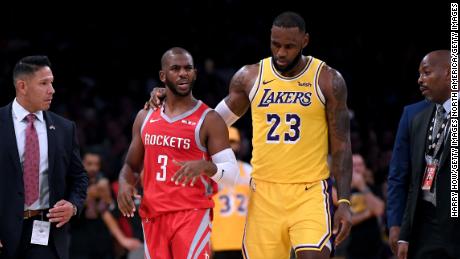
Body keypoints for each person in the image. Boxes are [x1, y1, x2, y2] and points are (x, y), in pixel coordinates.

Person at [149, 11, 352, 259]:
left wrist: (344, 202)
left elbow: (342, 146)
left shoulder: (327, 80)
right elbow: (210, 120)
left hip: (309, 191)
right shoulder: (250, 77)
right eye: (276, 44)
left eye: (289, 46)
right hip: (263, 193)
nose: (281, 52)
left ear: (305, 42)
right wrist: (171, 98)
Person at [117, 47, 238, 259]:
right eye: (175, 68)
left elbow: (232, 176)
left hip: (191, 214)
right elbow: (131, 166)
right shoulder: (145, 116)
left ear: (195, 74)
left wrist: (206, 166)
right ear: (163, 76)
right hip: (153, 215)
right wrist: (125, 184)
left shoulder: (209, 119)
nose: (183, 73)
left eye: (188, 68)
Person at [0, 55, 88, 259]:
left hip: (46, 232)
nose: (52, 90)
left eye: (52, 83)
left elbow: (79, 177)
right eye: (44, 83)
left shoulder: (65, 128)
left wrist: (73, 206)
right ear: (22, 86)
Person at [397, 50, 459, 259]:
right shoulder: (419, 119)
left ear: (449, 74)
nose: (420, 80)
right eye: (419, 74)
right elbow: (415, 183)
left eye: (426, 73)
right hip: (425, 228)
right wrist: (405, 235)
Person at [70, 151, 142, 259]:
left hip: (103, 241)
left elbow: (109, 211)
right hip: (79, 241)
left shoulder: (105, 182)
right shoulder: (73, 183)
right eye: (89, 164)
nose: (94, 168)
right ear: (82, 163)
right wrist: (91, 193)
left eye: (97, 164)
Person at [386, 100, 429, 254]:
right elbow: (398, 174)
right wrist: (395, 223)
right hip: (424, 219)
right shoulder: (412, 114)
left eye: (427, 73)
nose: (421, 80)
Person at [211, 126, 252, 259]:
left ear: (241, 145)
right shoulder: (211, 172)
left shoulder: (249, 171)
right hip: (218, 241)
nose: (229, 148)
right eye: (226, 143)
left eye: (233, 142)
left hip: (245, 241)